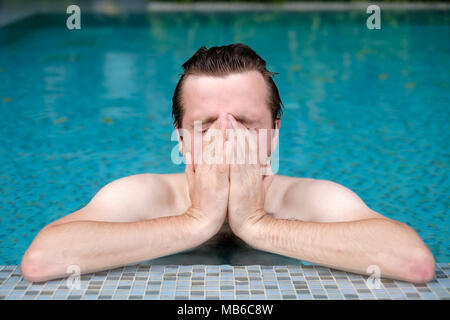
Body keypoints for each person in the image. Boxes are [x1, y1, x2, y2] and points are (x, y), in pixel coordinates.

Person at [21, 43, 435, 283]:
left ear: (273, 133)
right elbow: (42, 260)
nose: (226, 137)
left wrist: (257, 222)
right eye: (205, 126)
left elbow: (413, 262)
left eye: (245, 123)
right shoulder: (142, 195)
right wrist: (196, 220)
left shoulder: (308, 199)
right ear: (181, 140)